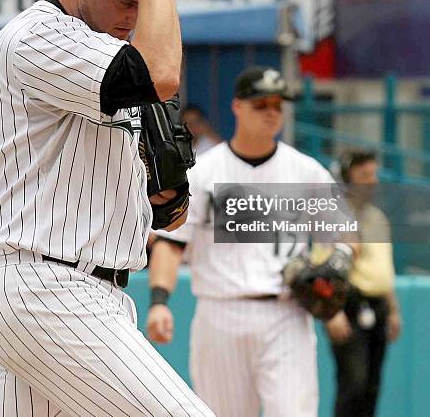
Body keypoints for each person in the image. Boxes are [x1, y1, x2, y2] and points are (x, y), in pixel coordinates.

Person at [0, 0, 214, 416]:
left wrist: (157, 201)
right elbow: (160, 74)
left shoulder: (98, 52)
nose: (134, 18)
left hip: (72, 291)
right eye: (127, 1)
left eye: (143, 5)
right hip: (50, 291)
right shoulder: (40, 35)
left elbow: (140, 191)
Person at [146, 66, 356, 417]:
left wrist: (341, 258)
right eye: (262, 104)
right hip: (221, 313)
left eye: (278, 104)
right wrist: (159, 301)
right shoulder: (205, 172)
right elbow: (172, 242)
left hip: (287, 312)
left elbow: (346, 233)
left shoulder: (305, 172)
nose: (272, 112)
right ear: (238, 107)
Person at [320, 150, 401, 417]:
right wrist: (332, 312)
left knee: (371, 386)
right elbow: (322, 271)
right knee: (352, 384)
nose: (373, 180)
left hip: (377, 308)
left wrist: (393, 309)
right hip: (348, 307)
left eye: (374, 174)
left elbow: (384, 269)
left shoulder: (378, 218)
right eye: (365, 175)